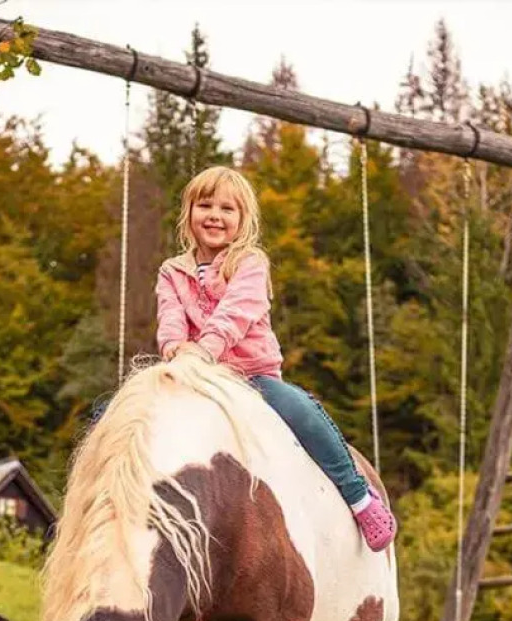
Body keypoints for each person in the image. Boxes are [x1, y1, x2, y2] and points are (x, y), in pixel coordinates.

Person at [154, 165, 397, 552]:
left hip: (251, 376)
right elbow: (169, 317)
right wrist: (173, 348)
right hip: (193, 375)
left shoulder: (249, 263)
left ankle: (358, 496)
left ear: (242, 220)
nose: (215, 215)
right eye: (205, 205)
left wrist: (202, 352)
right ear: (189, 213)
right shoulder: (172, 271)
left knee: (300, 409)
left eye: (227, 209)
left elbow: (235, 315)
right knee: (118, 410)